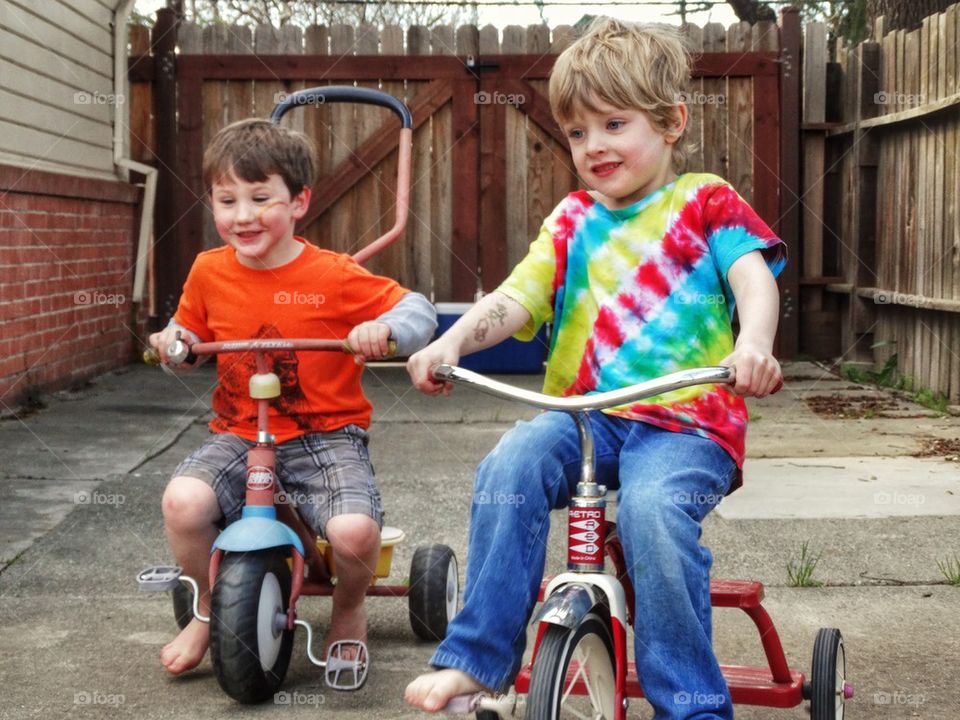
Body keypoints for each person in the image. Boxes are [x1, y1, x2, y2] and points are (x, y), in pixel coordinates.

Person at [404, 17, 785, 720]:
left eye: (614, 124)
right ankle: (476, 660)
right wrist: (451, 343)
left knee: (651, 513)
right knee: (509, 467)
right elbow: (515, 298)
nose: (594, 146)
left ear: (671, 122)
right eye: (578, 132)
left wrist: (753, 345)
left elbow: (753, 279)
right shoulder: (572, 219)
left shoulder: (704, 201)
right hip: (586, 419)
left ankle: (693, 706)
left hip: (686, 422)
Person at [149, 118, 437, 675]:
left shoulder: (334, 275)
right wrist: (174, 343)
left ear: (299, 201)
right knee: (183, 502)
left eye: (261, 199)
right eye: (227, 200)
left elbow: (417, 309)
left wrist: (386, 331)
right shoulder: (209, 271)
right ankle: (209, 608)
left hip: (323, 437)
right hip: (238, 434)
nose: (243, 216)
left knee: (354, 533)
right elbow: (186, 334)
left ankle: (348, 609)